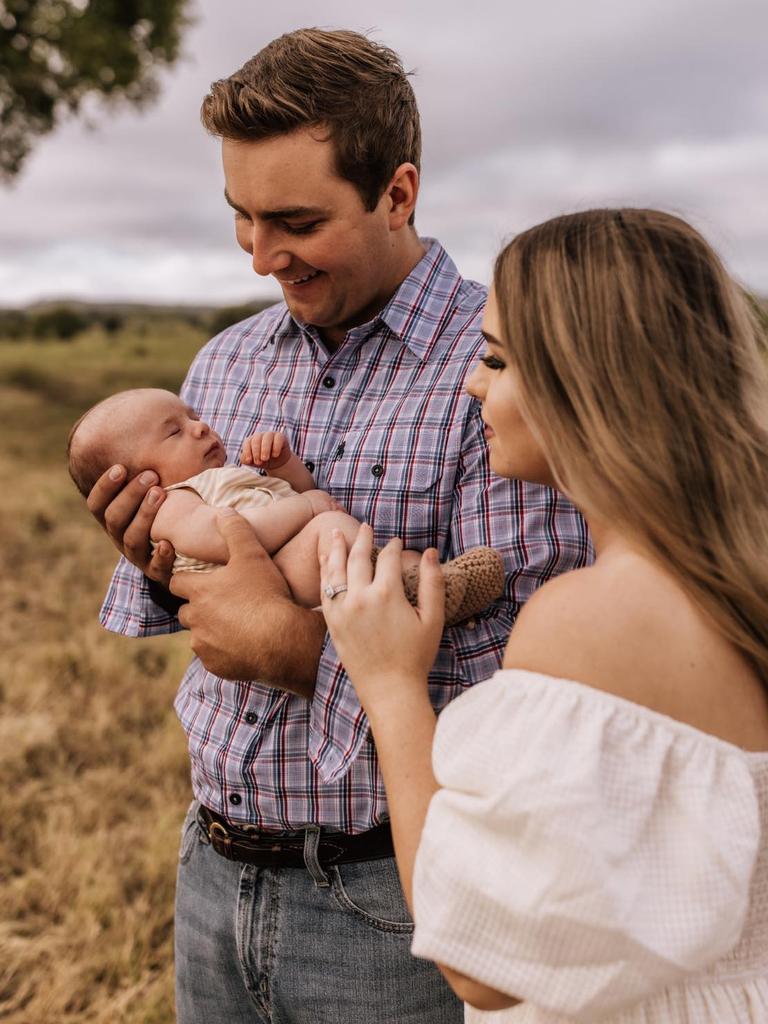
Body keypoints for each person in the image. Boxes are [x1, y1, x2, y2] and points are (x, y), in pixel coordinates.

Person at [86, 29, 590, 1024]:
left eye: (295, 220)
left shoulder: (499, 369)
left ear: (397, 194)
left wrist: (298, 648)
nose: (262, 254)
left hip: (394, 906)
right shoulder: (224, 364)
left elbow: (532, 685)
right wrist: (155, 559)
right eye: (240, 215)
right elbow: (184, 596)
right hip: (213, 869)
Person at [319, 208, 768, 1022]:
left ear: (588, 381)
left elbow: (479, 962)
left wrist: (389, 684)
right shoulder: (737, 578)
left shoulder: (590, 618)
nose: (471, 383)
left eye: (495, 357)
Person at [68, 387, 505, 619]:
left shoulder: (222, 479)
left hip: (301, 566)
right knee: (327, 532)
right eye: (174, 432)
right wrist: (307, 509)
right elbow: (227, 538)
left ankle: (432, 587)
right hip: (276, 581)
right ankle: (415, 593)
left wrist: (285, 468)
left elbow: (301, 491)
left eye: (194, 417)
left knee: (393, 555)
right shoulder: (172, 504)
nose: (199, 428)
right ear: (138, 480)